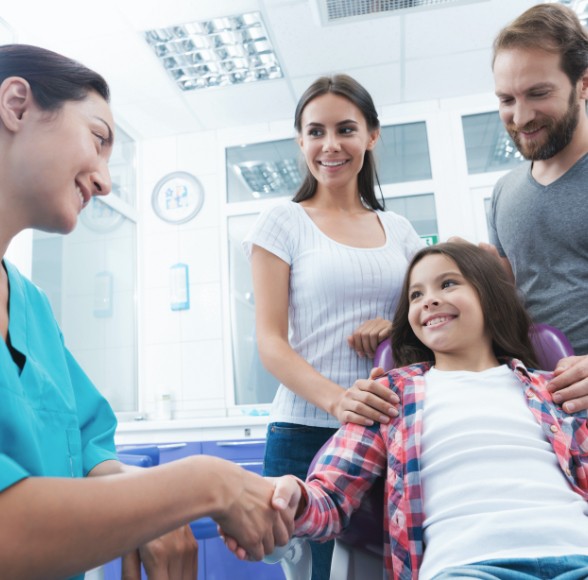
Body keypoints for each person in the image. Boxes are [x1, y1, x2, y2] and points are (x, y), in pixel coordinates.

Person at [0, 44, 294, 580]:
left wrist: (148, 512)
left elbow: (87, 449)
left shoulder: (31, 306)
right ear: (17, 105)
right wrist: (205, 483)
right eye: (98, 138)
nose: (107, 181)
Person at [243, 241, 588, 580]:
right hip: (468, 567)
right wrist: (295, 499)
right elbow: (330, 500)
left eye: (448, 283)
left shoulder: (554, 388)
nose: (429, 300)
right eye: (416, 295)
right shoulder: (390, 396)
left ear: (491, 299)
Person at [243, 74, 423, 577]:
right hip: (304, 432)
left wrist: (395, 326)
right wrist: (337, 400)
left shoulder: (401, 231)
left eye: (346, 129)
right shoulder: (282, 222)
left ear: (372, 135)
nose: (330, 145)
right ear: (300, 141)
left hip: (388, 432)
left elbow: (428, 322)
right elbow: (271, 342)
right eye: (315, 132)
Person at [486, 3, 588, 412]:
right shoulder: (504, 193)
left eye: (538, 94)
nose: (521, 116)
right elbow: (508, 306)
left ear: (583, 83)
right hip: (542, 415)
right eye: (506, 99)